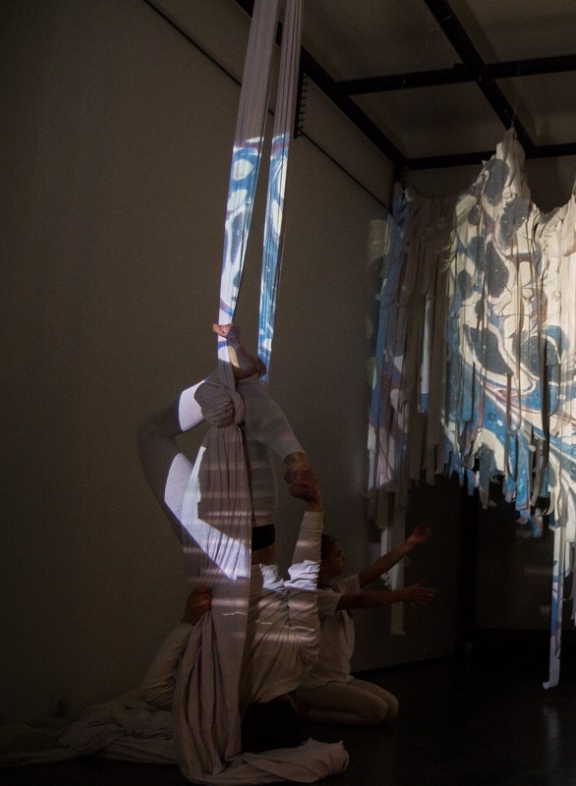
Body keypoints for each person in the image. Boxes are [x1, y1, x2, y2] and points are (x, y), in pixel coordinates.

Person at [135, 324, 346, 779]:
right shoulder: (215, 693)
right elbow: (154, 693)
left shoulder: (299, 658)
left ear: (290, 707)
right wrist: (186, 623)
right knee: (154, 433)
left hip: (255, 536)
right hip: (208, 551)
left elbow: (304, 577)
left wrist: (314, 508)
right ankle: (231, 381)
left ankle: (288, 449)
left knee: (239, 402)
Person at [295, 525, 437, 725]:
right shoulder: (313, 597)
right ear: (323, 564)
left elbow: (378, 568)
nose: (344, 558)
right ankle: (306, 712)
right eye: (338, 554)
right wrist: (403, 595)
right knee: (377, 711)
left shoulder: (337, 588)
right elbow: (359, 600)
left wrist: (410, 543)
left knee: (391, 707)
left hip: (341, 678)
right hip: (316, 685)